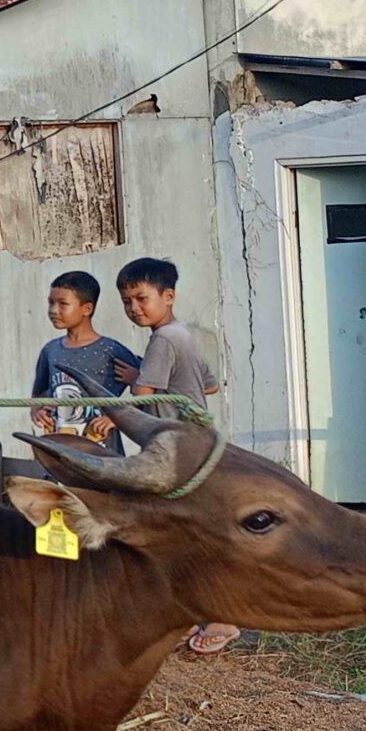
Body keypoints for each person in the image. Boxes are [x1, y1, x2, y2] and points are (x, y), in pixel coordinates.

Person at [111, 255, 235, 654]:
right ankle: (184, 609)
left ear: (168, 296)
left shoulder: (163, 340)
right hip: (198, 442)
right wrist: (145, 375)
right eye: (128, 301)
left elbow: (143, 398)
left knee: (188, 531)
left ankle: (223, 617)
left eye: (142, 298)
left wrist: (121, 404)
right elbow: (209, 387)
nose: (135, 308)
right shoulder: (181, 334)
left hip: (179, 449)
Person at [29, 270, 141, 435]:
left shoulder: (111, 350)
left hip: (103, 451)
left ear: (87, 308)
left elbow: (148, 394)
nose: (53, 310)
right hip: (58, 448)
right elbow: (38, 395)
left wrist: (117, 418)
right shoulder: (50, 350)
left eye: (62, 304)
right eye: (50, 303)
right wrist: (37, 412)